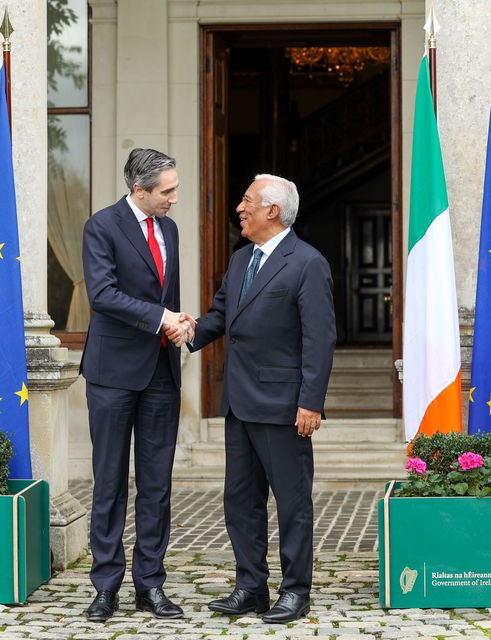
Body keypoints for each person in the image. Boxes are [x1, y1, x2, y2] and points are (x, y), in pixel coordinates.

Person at [188, 173, 336, 623]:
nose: (239, 207)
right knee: (240, 502)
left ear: (273, 210)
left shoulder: (307, 263)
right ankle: (251, 587)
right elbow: (219, 316)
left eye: (247, 201)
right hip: (240, 404)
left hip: (285, 408)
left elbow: (320, 337)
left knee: (292, 504)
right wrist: (183, 329)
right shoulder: (239, 261)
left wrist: (310, 402)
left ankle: (295, 592)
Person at [80, 148, 193, 622]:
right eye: (167, 191)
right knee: (109, 483)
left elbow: (166, 294)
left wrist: (179, 325)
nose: (174, 198)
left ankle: (150, 585)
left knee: (156, 486)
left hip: (161, 375)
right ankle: (105, 586)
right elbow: (103, 295)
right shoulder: (101, 227)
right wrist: (161, 318)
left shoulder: (169, 228)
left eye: (174, 188)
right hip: (111, 375)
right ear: (139, 190)